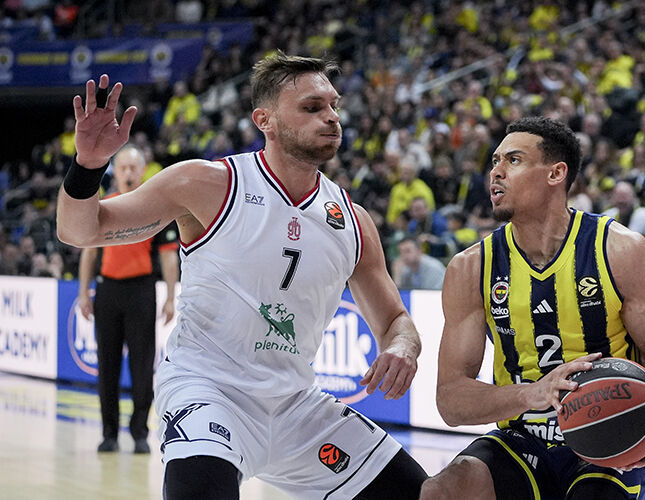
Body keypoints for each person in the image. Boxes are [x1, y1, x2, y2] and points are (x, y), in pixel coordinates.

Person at [57, 53, 427, 499]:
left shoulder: (353, 220)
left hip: (296, 406)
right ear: (264, 120)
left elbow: (395, 321)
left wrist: (402, 346)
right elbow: (80, 231)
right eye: (312, 107)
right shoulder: (207, 184)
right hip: (208, 389)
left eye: (334, 105)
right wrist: (89, 165)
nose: (331, 117)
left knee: (428, 495)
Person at [420, 117, 645, 500]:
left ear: (556, 173)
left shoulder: (622, 251)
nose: (495, 172)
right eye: (494, 161)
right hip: (522, 437)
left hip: (606, 433)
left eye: (513, 160)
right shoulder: (471, 267)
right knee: (442, 491)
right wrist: (532, 394)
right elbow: (451, 400)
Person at [77, 145, 180, 454]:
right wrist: (83, 292)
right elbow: (88, 253)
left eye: (133, 168)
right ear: (115, 172)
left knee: (142, 364)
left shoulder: (155, 209)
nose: (128, 173)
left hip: (141, 291)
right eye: (123, 168)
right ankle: (108, 433)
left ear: (143, 170)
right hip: (108, 290)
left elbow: (169, 257)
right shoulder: (103, 206)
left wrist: (170, 297)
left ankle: (139, 433)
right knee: (107, 365)